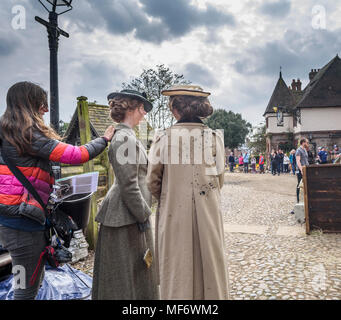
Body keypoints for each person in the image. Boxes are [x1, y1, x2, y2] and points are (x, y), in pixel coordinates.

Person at [0, 82, 115, 300]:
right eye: (41, 103)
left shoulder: (7, 133)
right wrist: (105, 139)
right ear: (29, 104)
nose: (45, 109)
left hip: (11, 220)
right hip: (22, 225)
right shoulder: (28, 135)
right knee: (25, 289)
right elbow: (76, 155)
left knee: (28, 278)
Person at [147, 85, 228, 300]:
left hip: (174, 211)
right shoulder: (213, 138)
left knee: (176, 268)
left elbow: (152, 181)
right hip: (207, 210)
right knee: (209, 264)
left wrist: (172, 193)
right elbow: (219, 179)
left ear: (175, 110)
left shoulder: (163, 138)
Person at [92, 90, 158, 300]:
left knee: (132, 275)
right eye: (142, 109)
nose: (144, 114)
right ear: (132, 108)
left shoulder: (126, 136)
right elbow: (129, 185)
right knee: (122, 278)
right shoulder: (125, 139)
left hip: (128, 213)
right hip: (126, 215)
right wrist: (143, 214)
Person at [295, 138, 310, 203]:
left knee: (305, 184)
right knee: (299, 184)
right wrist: (301, 170)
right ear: (303, 142)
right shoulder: (298, 150)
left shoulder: (305, 150)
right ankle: (298, 200)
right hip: (300, 170)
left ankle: (305, 199)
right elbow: (298, 161)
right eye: (307, 142)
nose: (307, 144)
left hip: (306, 169)